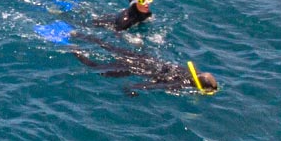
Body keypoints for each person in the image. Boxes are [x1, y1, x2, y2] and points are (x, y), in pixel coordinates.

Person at [71, 36, 218, 95]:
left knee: (110, 47)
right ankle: (74, 50)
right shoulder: (180, 84)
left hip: (148, 59)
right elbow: (150, 86)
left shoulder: (188, 71)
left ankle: (78, 34)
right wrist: (131, 89)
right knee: (100, 70)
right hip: (138, 69)